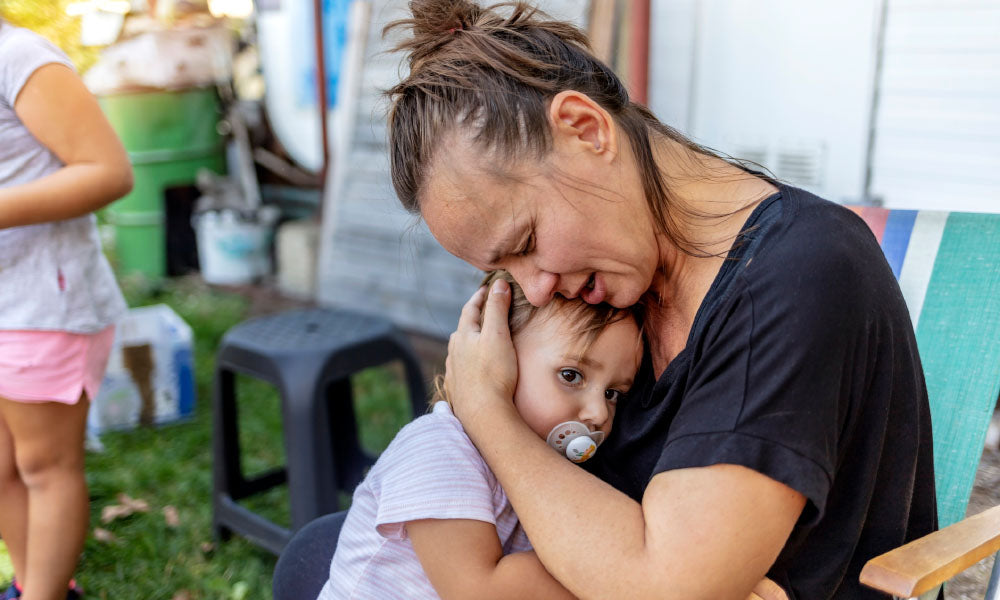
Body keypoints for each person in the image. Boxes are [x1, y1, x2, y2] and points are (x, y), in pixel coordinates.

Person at [382, 1, 938, 598]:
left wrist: (485, 411)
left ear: (587, 129)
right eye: (505, 270)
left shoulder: (799, 275)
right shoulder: (613, 283)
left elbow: (665, 587)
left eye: (528, 242)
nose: (536, 288)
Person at [317, 270, 643, 599]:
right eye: (571, 375)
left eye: (613, 393)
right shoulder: (437, 450)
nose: (599, 412)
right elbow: (481, 590)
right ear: (495, 360)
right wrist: (615, 564)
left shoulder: (546, 470)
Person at [0, 20, 132, 600]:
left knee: (43, 468)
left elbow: (108, 170)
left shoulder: (20, 57)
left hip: (40, 303)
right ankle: (35, 587)